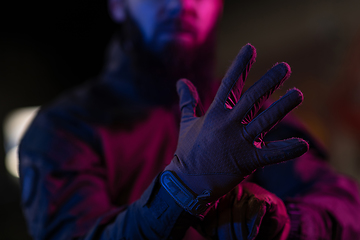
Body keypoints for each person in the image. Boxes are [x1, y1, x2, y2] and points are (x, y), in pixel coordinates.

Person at [18, 0, 360, 239]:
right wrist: (179, 192)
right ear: (117, 4)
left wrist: (279, 220)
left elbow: (345, 209)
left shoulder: (249, 115)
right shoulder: (64, 128)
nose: (181, 4)